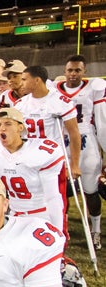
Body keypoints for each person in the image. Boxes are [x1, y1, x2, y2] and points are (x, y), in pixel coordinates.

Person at [55, 54, 106, 250]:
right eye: (70, 70)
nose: (73, 74)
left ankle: (96, 230)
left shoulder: (94, 88)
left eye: (77, 70)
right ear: (64, 71)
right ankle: (62, 229)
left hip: (86, 141)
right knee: (60, 190)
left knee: (90, 190)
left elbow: (101, 121)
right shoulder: (54, 89)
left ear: (84, 71)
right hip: (62, 142)